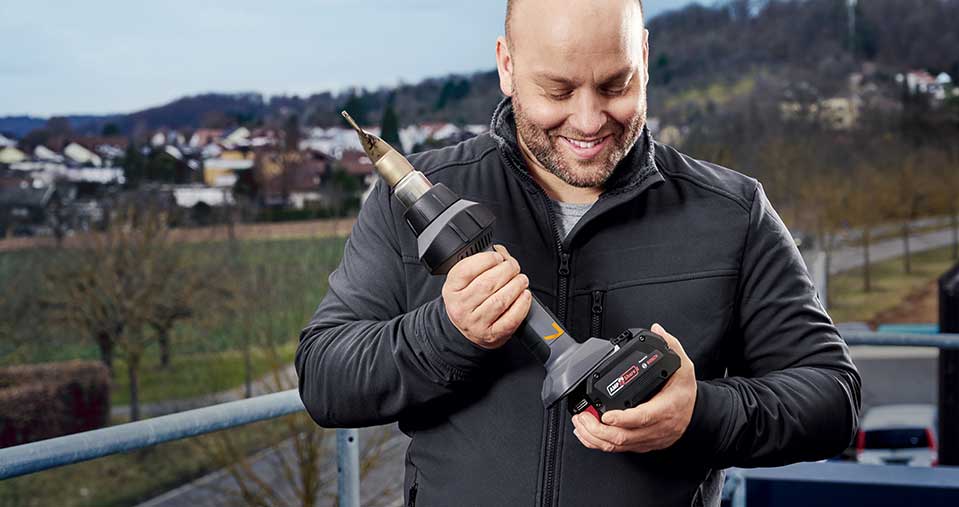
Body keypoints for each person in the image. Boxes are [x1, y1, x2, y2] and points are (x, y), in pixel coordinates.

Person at [296, 0, 861, 505]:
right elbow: (325, 378)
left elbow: (832, 398)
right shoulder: (414, 200)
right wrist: (448, 332)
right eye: (559, 90)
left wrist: (700, 415)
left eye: (616, 85)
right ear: (507, 65)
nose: (590, 121)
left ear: (643, 53)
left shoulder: (732, 212)